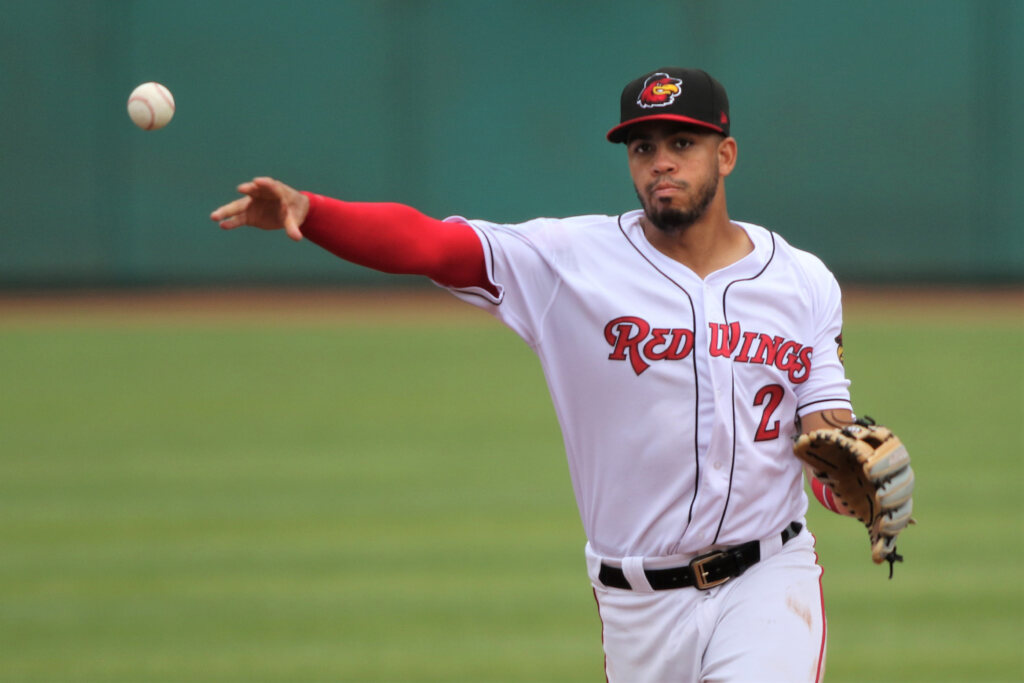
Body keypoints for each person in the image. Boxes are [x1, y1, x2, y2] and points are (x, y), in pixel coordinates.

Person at [211, 67, 913, 682]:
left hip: (768, 578)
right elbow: (435, 244)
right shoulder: (569, 262)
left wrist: (839, 487)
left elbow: (825, 433)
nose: (660, 163)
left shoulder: (802, 280)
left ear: (725, 154)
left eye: (682, 144)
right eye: (643, 147)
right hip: (636, 601)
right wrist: (316, 212)